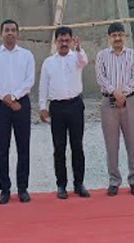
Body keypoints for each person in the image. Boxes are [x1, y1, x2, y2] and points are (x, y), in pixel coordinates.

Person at [0, 20, 35, 204]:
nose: (10, 33)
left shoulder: (27, 55)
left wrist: (14, 97)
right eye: (7, 30)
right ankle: (4, 189)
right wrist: (6, 98)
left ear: (18, 34)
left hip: (21, 104)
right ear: (1, 33)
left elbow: (29, 80)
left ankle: (23, 188)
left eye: (13, 30)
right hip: (1, 105)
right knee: (2, 148)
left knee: (23, 147)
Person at [39, 26, 91, 200]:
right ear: (55, 42)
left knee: (77, 146)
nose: (63, 43)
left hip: (75, 105)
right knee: (59, 147)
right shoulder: (49, 62)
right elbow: (43, 85)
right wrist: (42, 106)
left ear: (71, 41)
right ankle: (61, 185)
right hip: (57, 108)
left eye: (66, 40)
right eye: (60, 40)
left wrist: (78, 49)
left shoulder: (76, 57)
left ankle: (79, 184)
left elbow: (84, 61)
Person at [95, 22, 134, 196]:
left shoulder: (133, 55)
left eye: (120, 35)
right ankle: (114, 181)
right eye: (114, 35)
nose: (117, 38)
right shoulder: (102, 55)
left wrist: (123, 94)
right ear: (109, 38)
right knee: (111, 145)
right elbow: (100, 77)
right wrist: (115, 92)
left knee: (132, 143)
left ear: (125, 36)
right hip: (109, 103)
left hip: (129, 102)